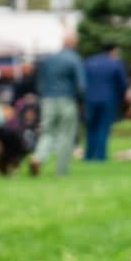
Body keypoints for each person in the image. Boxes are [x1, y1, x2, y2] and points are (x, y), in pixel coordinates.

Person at [30, 31, 85, 176]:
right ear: (74, 43)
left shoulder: (49, 59)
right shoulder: (74, 59)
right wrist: (81, 100)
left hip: (47, 100)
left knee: (47, 132)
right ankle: (61, 170)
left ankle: (38, 157)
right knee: (66, 134)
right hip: (67, 99)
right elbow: (81, 85)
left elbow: (40, 81)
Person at [82, 43, 129, 161]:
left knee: (91, 127)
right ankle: (100, 155)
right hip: (108, 99)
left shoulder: (89, 61)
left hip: (90, 99)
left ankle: (88, 155)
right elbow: (122, 83)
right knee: (103, 127)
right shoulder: (115, 62)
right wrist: (121, 98)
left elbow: (83, 80)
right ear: (112, 51)